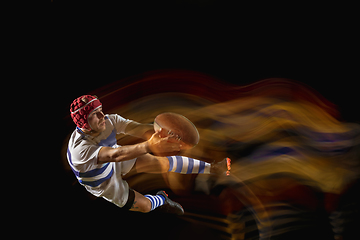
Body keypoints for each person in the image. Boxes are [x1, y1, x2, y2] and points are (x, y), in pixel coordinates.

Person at [66, 95, 229, 215]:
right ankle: (161, 199)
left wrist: (163, 132)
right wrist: (149, 145)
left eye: (100, 110)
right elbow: (115, 155)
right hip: (102, 181)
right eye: (94, 115)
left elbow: (136, 128)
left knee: (162, 163)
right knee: (145, 206)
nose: (102, 116)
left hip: (117, 159)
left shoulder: (108, 121)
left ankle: (213, 168)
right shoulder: (80, 150)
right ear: (84, 123)